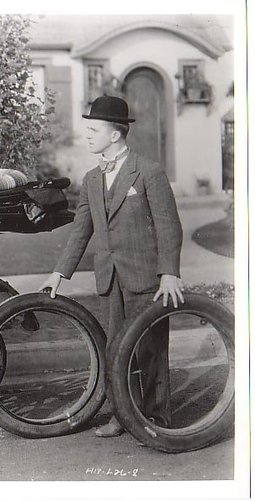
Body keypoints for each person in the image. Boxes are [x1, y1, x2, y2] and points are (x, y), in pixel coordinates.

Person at [39, 96, 184, 438]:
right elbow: (80, 232)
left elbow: (168, 224)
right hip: (110, 278)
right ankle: (122, 415)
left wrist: (170, 272)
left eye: (93, 130)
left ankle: (157, 420)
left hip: (146, 276)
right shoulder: (91, 178)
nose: (87, 136)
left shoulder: (148, 171)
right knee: (117, 350)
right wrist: (59, 272)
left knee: (149, 348)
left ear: (115, 134)